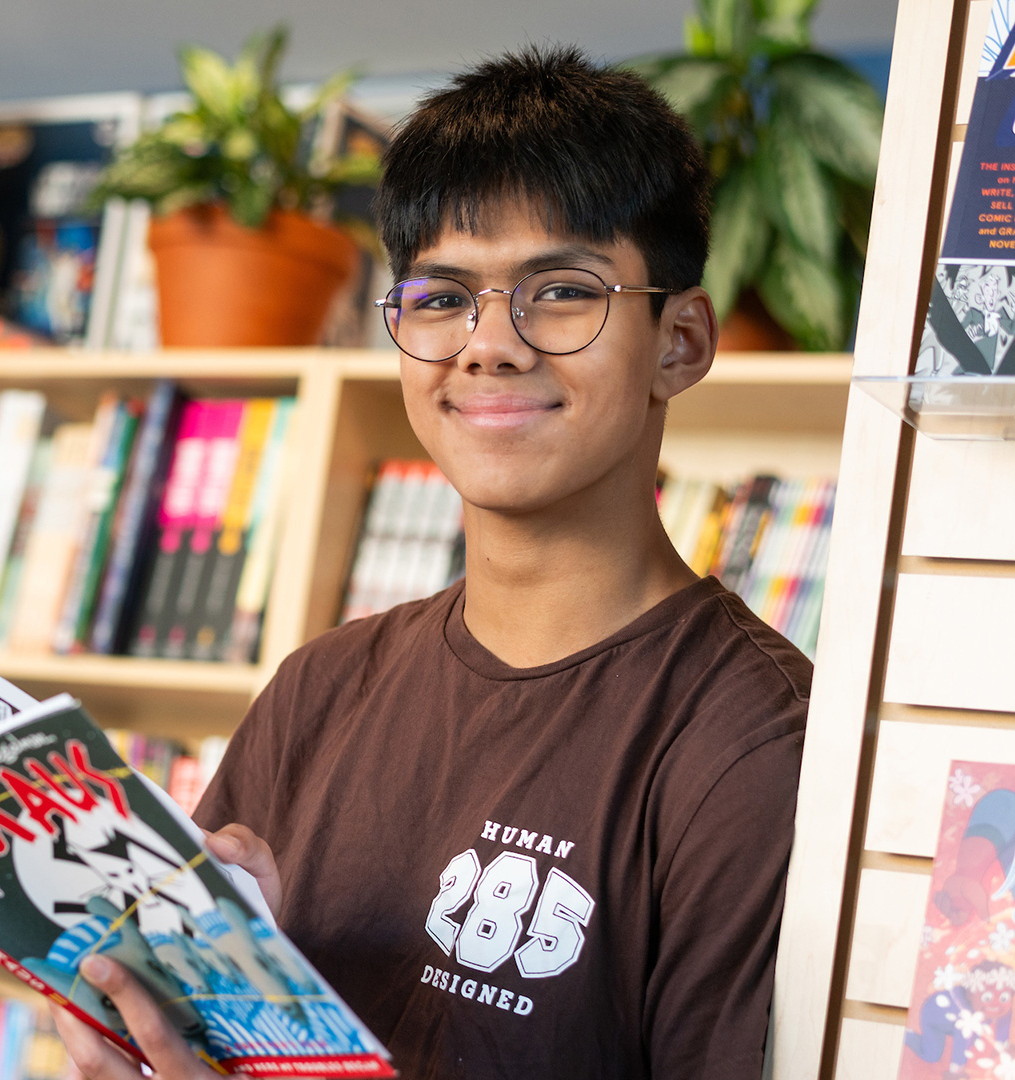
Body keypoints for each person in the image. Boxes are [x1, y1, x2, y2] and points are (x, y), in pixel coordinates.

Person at [52, 45, 808, 1080]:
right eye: (443, 298)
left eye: (561, 290)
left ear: (678, 341)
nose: (487, 345)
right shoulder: (319, 690)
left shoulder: (758, 747)